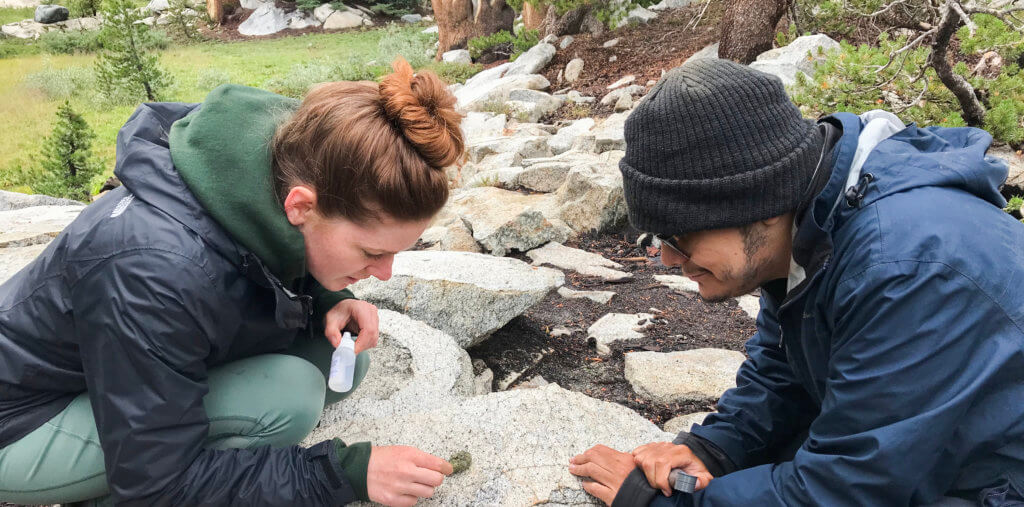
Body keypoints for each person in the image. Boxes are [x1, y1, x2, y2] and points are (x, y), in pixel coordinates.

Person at [0, 58, 461, 506]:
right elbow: (156, 483)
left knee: (339, 358)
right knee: (289, 396)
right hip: (22, 418)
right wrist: (342, 474)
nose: (384, 274)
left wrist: (327, 298)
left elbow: (247, 257)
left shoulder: (282, 162)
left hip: (108, 365)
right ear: (301, 206)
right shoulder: (154, 270)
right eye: (371, 252)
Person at [569, 58, 1024, 506]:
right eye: (656, 237)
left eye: (679, 234)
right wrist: (714, 450)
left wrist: (658, 503)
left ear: (762, 201)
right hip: (934, 451)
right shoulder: (810, 224)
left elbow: (846, 489)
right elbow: (783, 369)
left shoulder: (905, 268)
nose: (667, 258)